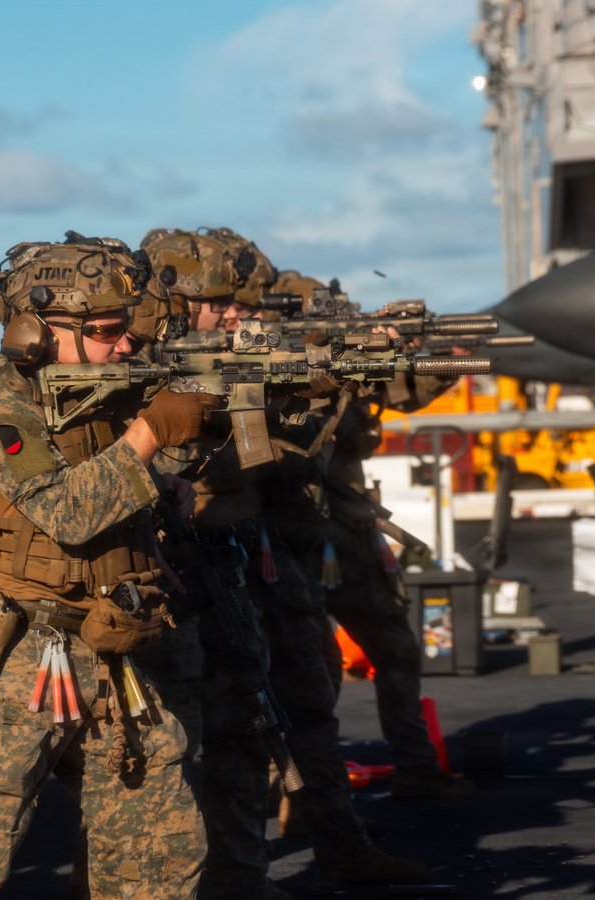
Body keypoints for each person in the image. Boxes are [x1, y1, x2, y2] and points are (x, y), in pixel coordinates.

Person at [0, 237, 217, 899]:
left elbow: (107, 481)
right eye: (105, 332)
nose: (125, 345)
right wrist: (149, 435)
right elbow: (67, 512)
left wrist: (161, 474)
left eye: (126, 329)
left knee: (157, 842)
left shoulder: (87, 403)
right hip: (28, 649)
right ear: (34, 330)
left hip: (110, 642)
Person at [141, 228, 429, 890]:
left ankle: (336, 842)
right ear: (177, 298)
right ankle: (224, 869)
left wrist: (326, 370)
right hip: (190, 564)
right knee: (214, 730)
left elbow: (277, 432)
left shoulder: (230, 354)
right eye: (219, 304)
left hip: (255, 550)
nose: (235, 314)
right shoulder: (146, 367)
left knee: (307, 685)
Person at [265, 271, 475, 800]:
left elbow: (403, 391)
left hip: (351, 528)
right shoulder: (274, 369)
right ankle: (289, 780)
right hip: (295, 533)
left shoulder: (347, 364)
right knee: (313, 668)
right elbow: (302, 433)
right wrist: (335, 368)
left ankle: (415, 766)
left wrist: (439, 354)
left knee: (396, 648)